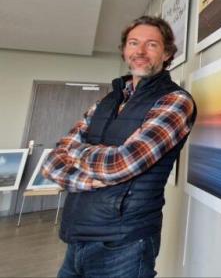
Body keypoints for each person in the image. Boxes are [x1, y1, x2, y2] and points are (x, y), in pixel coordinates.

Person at [42, 16, 197, 278]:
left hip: (124, 244)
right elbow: (51, 163)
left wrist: (78, 153)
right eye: (134, 43)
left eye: (151, 45)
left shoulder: (175, 101)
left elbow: (120, 164)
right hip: (77, 237)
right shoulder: (107, 100)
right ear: (124, 51)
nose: (140, 51)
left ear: (167, 53)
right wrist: (90, 180)